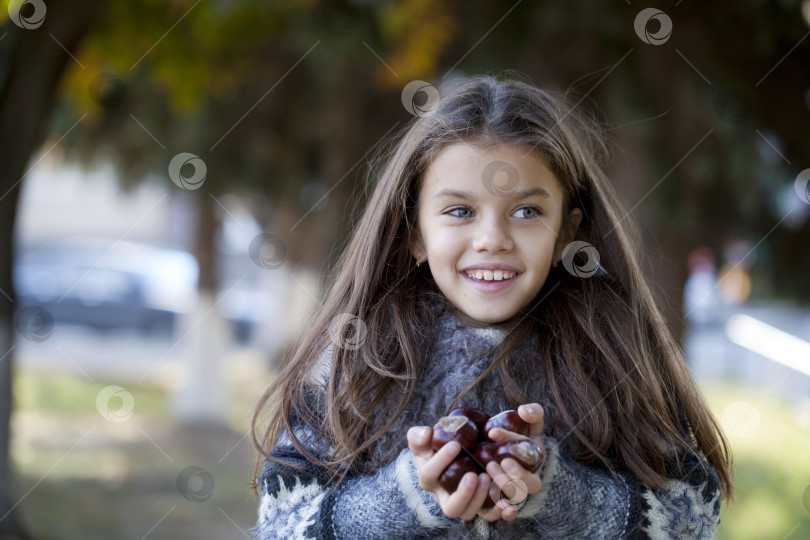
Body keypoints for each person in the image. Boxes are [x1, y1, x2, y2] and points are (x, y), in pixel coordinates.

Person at [248, 74, 733, 539]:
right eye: (460, 211)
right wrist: (406, 496)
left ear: (567, 231)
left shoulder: (615, 353)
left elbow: (693, 521)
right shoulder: (353, 358)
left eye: (527, 212)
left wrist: (557, 492)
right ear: (414, 233)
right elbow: (280, 526)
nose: (492, 240)